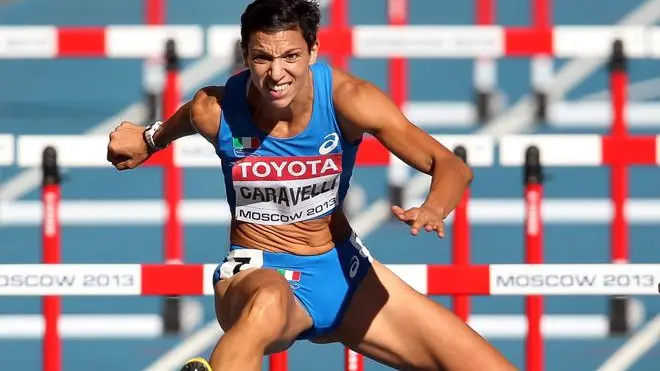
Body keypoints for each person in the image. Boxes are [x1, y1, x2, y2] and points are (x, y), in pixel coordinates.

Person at [106, 0, 516, 370]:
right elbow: (182, 122)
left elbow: (450, 166)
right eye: (262, 58)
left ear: (313, 52)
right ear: (245, 56)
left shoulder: (349, 99)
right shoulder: (215, 109)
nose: (276, 73)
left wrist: (433, 207)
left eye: (291, 57)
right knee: (267, 305)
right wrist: (148, 140)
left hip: (343, 273)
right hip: (258, 273)